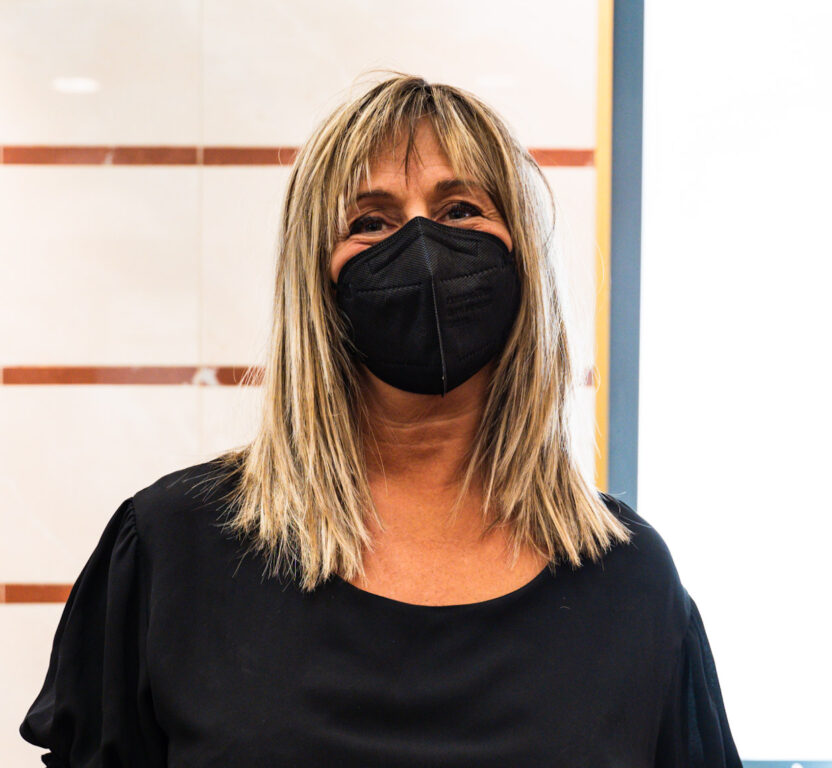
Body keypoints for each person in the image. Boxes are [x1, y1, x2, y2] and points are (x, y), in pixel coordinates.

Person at [19, 73, 742, 767]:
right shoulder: (173, 551)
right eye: (370, 222)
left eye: (461, 210)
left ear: (524, 254)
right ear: (316, 279)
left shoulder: (630, 581)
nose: (422, 244)